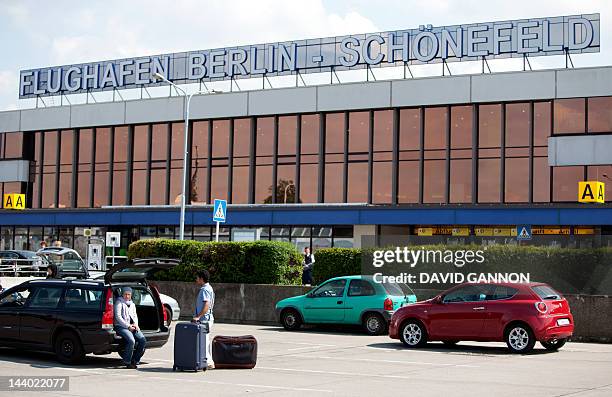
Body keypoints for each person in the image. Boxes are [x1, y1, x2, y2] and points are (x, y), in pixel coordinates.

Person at [114, 287, 146, 369]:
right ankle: (127, 362)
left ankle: (135, 360)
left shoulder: (132, 304)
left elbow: (135, 316)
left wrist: (136, 324)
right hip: (121, 326)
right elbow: (118, 317)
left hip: (132, 326)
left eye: (129, 294)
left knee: (142, 340)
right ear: (123, 294)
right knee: (131, 340)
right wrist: (128, 326)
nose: (127, 296)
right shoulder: (119, 302)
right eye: (125, 294)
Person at [193, 269, 215, 369]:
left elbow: (206, 304)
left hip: (204, 319)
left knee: (204, 341)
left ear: (201, 278)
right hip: (207, 318)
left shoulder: (205, 289)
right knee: (205, 341)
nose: (196, 279)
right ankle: (208, 361)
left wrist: (198, 316)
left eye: (197, 278)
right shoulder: (209, 288)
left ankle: (209, 362)